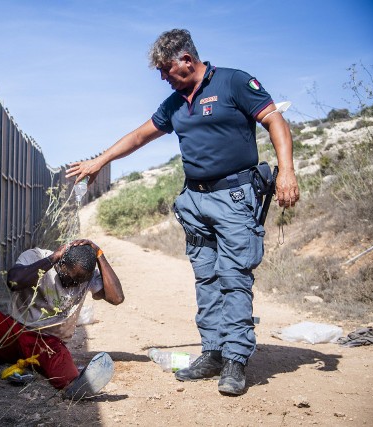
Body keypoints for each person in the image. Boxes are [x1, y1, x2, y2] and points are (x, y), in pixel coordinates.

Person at [66, 29, 299, 396]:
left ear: (186, 60)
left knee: (234, 276)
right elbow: (140, 136)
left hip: (234, 196)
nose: (162, 77)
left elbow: (275, 120)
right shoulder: (174, 103)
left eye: (164, 69)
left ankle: (236, 360)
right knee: (206, 278)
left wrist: (286, 171)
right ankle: (213, 353)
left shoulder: (234, 82)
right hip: (195, 201)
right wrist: (101, 159)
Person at [0, 239, 124, 399]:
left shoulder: (85, 275)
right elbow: (14, 281)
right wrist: (52, 258)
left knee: (65, 367)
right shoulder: (36, 256)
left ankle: (75, 386)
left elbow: (117, 298)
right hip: (11, 335)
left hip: (47, 344)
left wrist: (99, 254)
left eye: (79, 281)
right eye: (69, 277)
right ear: (60, 262)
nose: (73, 284)